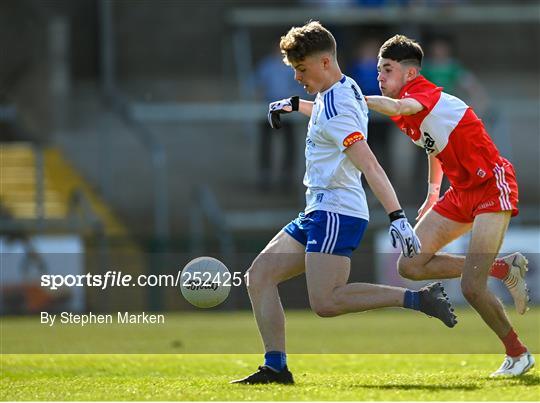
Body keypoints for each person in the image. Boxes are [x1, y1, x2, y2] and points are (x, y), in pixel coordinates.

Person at [231, 22, 456, 385]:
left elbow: (369, 162)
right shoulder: (342, 87)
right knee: (259, 277)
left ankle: (418, 299)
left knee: (326, 302)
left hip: (336, 211)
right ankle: (275, 367)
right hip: (317, 210)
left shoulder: (338, 106)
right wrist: (295, 104)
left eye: (301, 70)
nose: (298, 77)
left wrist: (397, 216)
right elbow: (325, 114)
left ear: (323, 62)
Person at [365, 34, 533, 377]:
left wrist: (353, 97)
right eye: (379, 70)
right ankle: (502, 268)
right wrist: (432, 192)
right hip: (460, 192)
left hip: (491, 184)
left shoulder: (418, 94)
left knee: (472, 287)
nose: (380, 76)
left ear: (409, 74)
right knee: (409, 265)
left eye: (387, 69)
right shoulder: (407, 103)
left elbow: (397, 109)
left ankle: (518, 354)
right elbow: (434, 146)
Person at [253, 48, 301, 191]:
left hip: (287, 110)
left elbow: (299, 86)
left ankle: (287, 175)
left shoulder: (293, 65)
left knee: (290, 142)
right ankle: (265, 174)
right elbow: (257, 84)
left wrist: (293, 102)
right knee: (266, 142)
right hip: (269, 109)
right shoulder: (266, 65)